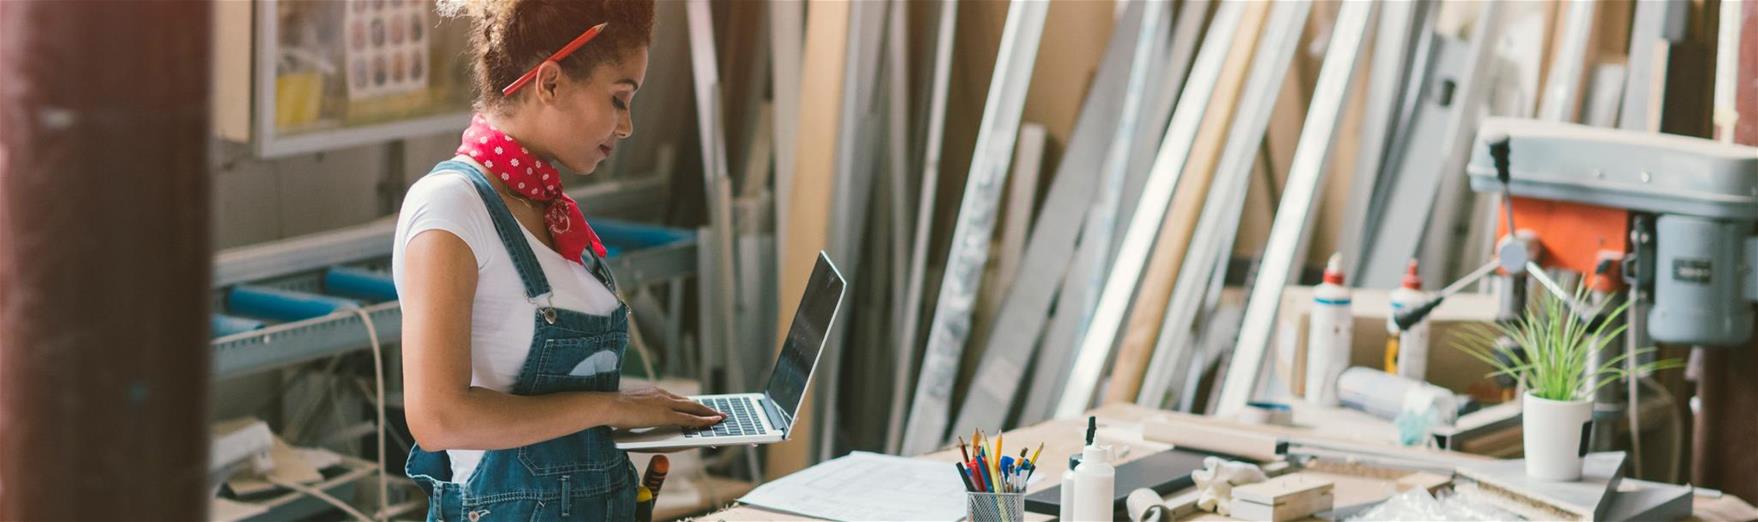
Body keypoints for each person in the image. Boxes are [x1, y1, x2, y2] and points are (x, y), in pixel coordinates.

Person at [393, 1, 721, 519]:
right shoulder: (451, 206)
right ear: (549, 83)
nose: (628, 125)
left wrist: (639, 415)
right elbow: (439, 418)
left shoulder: (545, 205)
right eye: (619, 99)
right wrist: (614, 406)